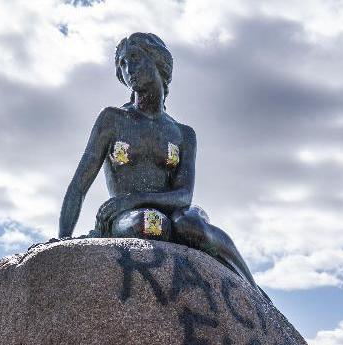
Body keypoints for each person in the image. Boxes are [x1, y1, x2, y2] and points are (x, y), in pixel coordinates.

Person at [57, 32, 259, 287]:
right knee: (151, 224)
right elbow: (79, 185)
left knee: (190, 224)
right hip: (129, 217)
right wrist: (63, 242)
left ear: (157, 61)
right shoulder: (113, 119)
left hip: (174, 213)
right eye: (122, 63)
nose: (128, 69)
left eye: (134, 58)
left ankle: (252, 288)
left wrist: (132, 198)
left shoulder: (183, 134)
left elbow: (184, 195)